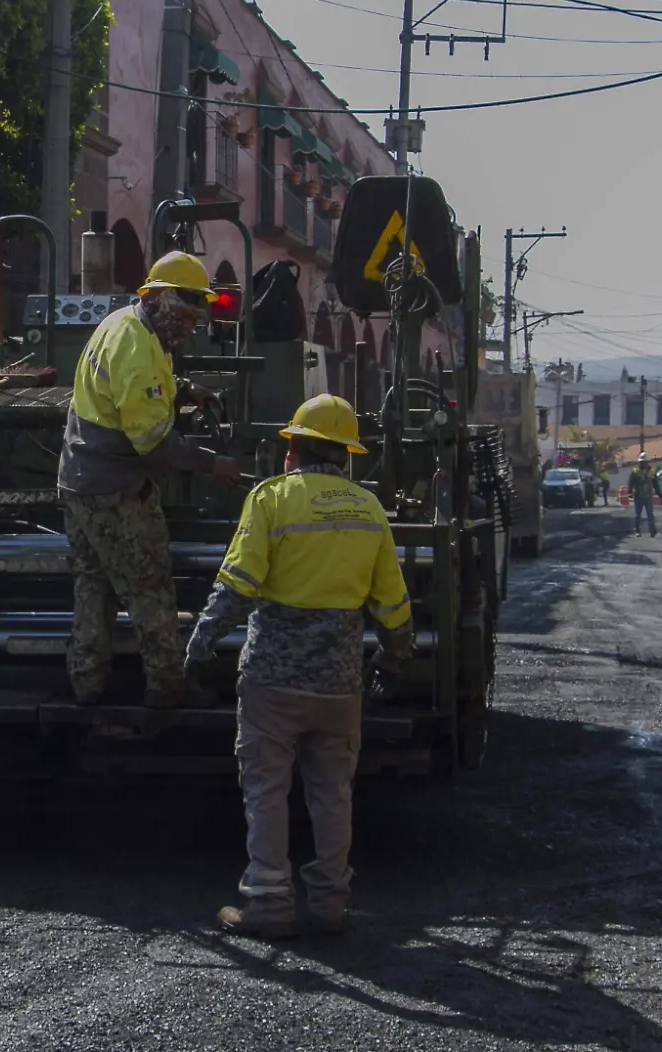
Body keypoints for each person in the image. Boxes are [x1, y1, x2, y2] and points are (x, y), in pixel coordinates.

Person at [184, 394, 414, 938]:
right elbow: (394, 606)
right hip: (339, 683)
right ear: (345, 456)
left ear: (293, 451)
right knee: (332, 791)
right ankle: (331, 902)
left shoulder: (272, 499)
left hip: (272, 680)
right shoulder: (368, 510)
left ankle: (268, 900)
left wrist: (197, 646)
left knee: (266, 788)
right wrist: (395, 659)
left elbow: (236, 585)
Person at [58, 251, 243, 708]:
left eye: (196, 314)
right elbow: (155, 445)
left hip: (81, 480)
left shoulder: (127, 324)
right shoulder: (139, 347)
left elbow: (137, 386)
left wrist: (184, 390)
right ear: (158, 297)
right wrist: (211, 464)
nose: (191, 322)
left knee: (93, 587)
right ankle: (167, 690)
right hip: (114, 490)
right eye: (185, 310)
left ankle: (87, 687)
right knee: (149, 589)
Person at [629, 453, 658, 537]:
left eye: (644, 462)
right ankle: (637, 530)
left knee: (650, 514)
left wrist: (659, 493)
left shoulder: (652, 471)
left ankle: (652, 530)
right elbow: (631, 482)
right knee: (638, 515)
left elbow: (655, 483)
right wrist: (630, 492)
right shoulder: (635, 471)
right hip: (638, 495)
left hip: (648, 496)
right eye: (641, 462)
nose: (643, 463)